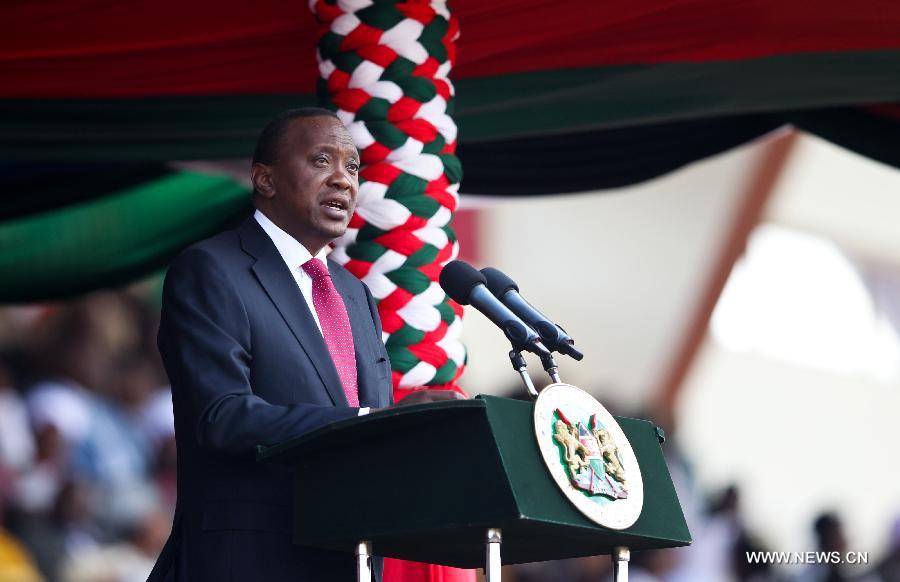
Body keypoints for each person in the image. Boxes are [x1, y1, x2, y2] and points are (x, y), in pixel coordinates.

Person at [148, 108, 460, 581]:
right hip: (252, 562)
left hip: (350, 558)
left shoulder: (354, 294)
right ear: (264, 179)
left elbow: (369, 429)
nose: (342, 180)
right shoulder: (212, 269)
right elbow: (222, 417)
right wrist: (372, 423)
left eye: (353, 167)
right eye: (321, 161)